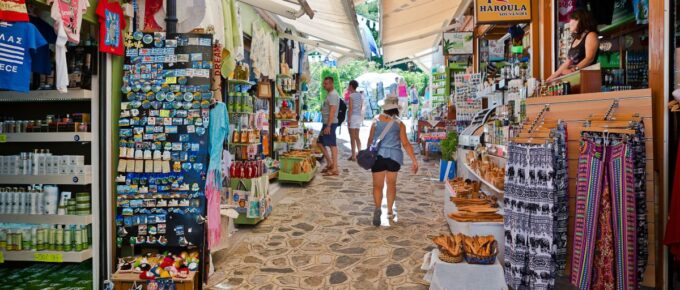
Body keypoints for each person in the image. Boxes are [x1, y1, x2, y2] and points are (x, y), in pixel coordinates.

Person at [367, 96, 419, 226]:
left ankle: (378, 208)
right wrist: (414, 160)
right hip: (394, 158)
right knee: (391, 185)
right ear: (396, 108)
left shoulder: (375, 120)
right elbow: (406, 143)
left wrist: (368, 153)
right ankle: (390, 211)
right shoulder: (399, 124)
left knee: (377, 186)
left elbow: (370, 139)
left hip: (378, 157)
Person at [547, 8, 599, 82]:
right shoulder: (575, 39)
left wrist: (573, 69)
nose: (570, 22)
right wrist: (551, 78)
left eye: (574, 19)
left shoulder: (591, 35)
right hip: (576, 79)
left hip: (588, 80)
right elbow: (567, 62)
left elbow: (589, 58)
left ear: (582, 21)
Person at [318, 76, 340, 176]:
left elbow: (333, 110)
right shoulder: (330, 95)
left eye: (326, 83)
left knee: (332, 145)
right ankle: (330, 163)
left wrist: (328, 126)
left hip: (330, 124)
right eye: (324, 83)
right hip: (326, 123)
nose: (324, 85)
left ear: (331, 84)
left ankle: (335, 168)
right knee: (319, 142)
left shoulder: (333, 95)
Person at [347, 80, 363, 161]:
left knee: (352, 137)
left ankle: (353, 155)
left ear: (351, 86)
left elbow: (350, 109)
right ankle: (359, 153)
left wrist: (349, 120)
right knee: (357, 136)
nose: (347, 87)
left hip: (353, 116)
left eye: (348, 85)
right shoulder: (360, 95)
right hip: (358, 116)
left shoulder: (351, 96)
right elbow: (360, 107)